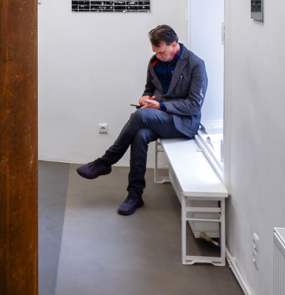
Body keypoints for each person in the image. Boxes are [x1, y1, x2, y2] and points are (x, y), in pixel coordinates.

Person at [75, 24, 207, 215]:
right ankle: (134, 195)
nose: (158, 56)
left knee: (139, 115)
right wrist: (145, 99)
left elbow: (194, 105)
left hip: (183, 123)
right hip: (158, 117)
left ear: (174, 44)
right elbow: (149, 89)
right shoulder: (154, 62)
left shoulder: (196, 64)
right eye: (156, 52)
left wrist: (160, 106)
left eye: (162, 52)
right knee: (140, 136)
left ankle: (106, 161)